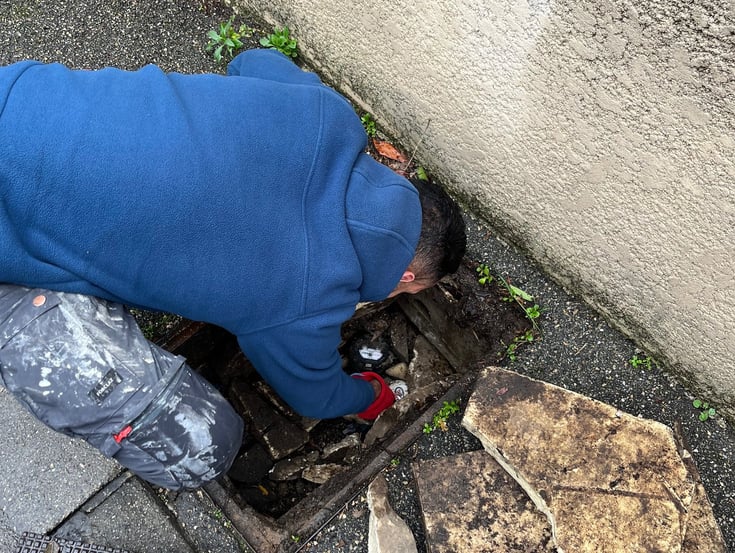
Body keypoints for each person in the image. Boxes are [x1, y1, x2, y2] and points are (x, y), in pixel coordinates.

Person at [0, 49, 466, 489]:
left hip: (21, 95)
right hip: (9, 227)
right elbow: (314, 397)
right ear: (406, 276)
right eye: (409, 290)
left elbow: (250, 61)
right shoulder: (308, 301)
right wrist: (373, 396)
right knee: (204, 443)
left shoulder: (329, 114)